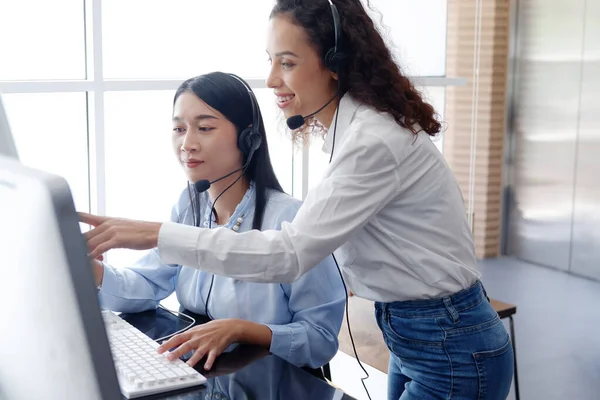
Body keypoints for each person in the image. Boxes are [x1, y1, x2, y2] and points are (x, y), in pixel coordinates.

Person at [82, 1, 515, 399]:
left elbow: (289, 255)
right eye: (271, 62)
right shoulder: (353, 134)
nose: (272, 80)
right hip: (414, 332)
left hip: (447, 342)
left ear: (335, 64)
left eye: (287, 63)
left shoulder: (371, 142)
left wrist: (157, 234)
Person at [87, 71, 345, 372]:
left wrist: (243, 329)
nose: (188, 144)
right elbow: (148, 282)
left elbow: (320, 339)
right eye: (179, 129)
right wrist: (90, 272)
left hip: (274, 381)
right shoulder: (189, 206)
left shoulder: (290, 219)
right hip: (210, 375)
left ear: (248, 138)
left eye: (205, 128)